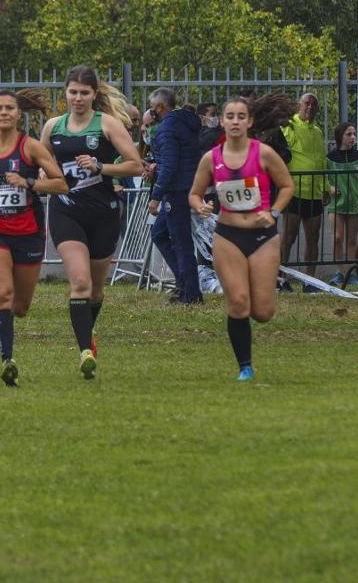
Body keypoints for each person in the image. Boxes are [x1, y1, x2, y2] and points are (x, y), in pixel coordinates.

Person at [0, 89, 67, 386]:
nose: (3, 113)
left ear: (19, 114)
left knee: (20, 307)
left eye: (9, 108)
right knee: (2, 294)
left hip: (28, 233)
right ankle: (7, 360)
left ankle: (9, 339)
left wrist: (29, 182)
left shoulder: (30, 148)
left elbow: (61, 184)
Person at [39, 65, 141, 379]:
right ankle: (85, 351)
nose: (78, 98)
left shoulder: (106, 124)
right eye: (73, 92)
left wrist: (101, 166)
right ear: (65, 93)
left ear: (94, 94)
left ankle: (88, 333)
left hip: (103, 212)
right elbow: (41, 163)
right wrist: (42, 175)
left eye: (84, 93)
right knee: (80, 282)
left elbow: (136, 166)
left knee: (95, 291)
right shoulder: (53, 127)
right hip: (66, 211)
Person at [189, 97, 294, 381]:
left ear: (249, 122)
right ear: (222, 121)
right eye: (229, 116)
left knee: (262, 312)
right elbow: (195, 193)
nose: (235, 121)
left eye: (240, 116)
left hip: (262, 236)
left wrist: (272, 211)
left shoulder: (263, 154)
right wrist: (200, 206)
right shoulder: (212, 157)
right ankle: (245, 367)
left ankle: (255, 286)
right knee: (237, 302)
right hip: (228, 235)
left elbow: (287, 186)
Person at [147, 87, 203, 305]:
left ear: (160, 107)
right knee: (159, 233)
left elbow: (170, 165)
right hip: (185, 185)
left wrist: (156, 195)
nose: (151, 112)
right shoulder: (184, 122)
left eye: (152, 109)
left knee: (181, 243)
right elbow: (173, 158)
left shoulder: (167, 129)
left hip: (176, 190)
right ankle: (183, 281)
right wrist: (155, 165)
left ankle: (191, 294)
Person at [281, 93, 329, 289]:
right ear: (299, 105)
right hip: (294, 191)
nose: (310, 107)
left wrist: (325, 188)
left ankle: (311, 280)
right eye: (306, 103)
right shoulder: (288, 127)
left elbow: (322, 162)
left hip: (314, 194)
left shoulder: (318, 132)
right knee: (289, 237)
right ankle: (282, 278)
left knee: (313, 238)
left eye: (314, 104)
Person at [326, 122, 358, 287]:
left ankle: (351, 273)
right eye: (349, 134)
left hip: (355, 205)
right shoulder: (330, 158)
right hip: (336, 205)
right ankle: (340, 272)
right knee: (337, 237)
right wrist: (329, 188)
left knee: (352, 240)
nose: (353, 137)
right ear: (340, 137)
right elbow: (323, 179)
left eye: (354, 134)